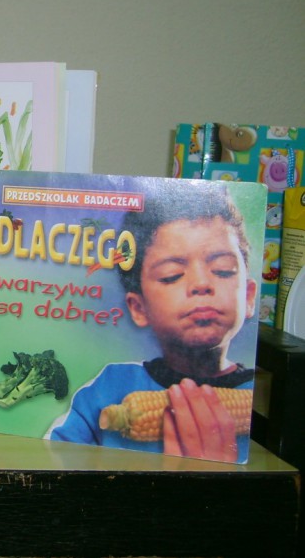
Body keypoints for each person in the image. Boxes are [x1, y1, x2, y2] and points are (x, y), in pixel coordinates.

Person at [47, 182, 258, 463]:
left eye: (223, 270)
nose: (201, 283)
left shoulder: (262, 402)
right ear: (139, 308)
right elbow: (49, 459)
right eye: (172, 275)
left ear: (249, 297)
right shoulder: (110, 387)